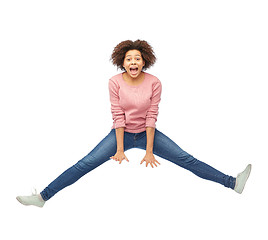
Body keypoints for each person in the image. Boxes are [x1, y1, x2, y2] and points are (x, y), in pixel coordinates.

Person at [16, 40, 252, 208]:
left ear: (144, 61)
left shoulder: (154, 82)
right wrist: (119, 149)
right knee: (84, 164)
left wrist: (149, 151)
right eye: (129, 58)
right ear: (122, 62)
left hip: (148, 133)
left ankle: (232, 183)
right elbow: (118, 115)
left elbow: (152, 116)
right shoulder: (114, 82)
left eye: (137, 58)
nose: (133, 61)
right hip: (122, 134)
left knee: (186, 160)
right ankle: (43, 198)